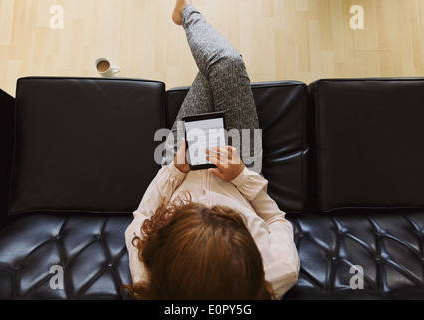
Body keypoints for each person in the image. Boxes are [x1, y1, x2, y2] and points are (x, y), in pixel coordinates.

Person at [124, 0, 299, 300]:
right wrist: (242, 176)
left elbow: (142, 216)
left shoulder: (148, 274)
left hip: (181, 167)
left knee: (223, 67)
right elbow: (275, 220)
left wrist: (174, 170)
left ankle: (186, 14)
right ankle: (187, 14)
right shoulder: (278, 272)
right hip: (240, 168)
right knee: (228, 65)